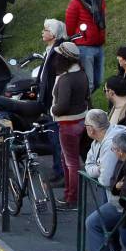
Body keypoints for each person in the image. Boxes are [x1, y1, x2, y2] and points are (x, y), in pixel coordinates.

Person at [77, 115, 126, 251]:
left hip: (123, 201)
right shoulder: (97, 142)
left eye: (86, 125)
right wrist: (97, 168)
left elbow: (105, 179)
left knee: (93, 223)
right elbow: (88, 165)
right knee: (105, 225)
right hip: (120, 199)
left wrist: (98, 169)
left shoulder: (110, 143)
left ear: (91, 129)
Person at [50, 41, 90, 209]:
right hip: (81, 120)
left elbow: (63, 105)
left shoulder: (66, 79)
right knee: (72, 160)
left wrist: (53, 110)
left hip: (68, 124)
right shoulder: (82, 73)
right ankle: (70, 195)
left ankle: (71, 198)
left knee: (71, 163)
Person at [65, 0, 106, 92]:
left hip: (99, 45)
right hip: (85, 48)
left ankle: (86, 104)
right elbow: (70, 28)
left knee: (99, 81)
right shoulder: (75, 3)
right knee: (89, 84)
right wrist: (83, 38)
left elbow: (103, 20)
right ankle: (84, 108)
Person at [39, 19, 68, 185]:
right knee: (54, 138)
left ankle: (61, 173)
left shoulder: (57, 52)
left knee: (57, 140)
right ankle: (59, 170)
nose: (42, 32)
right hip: (51, 100)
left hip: (54, 102)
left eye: (45, 29)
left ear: (54, 34)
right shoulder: (52, 49)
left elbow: (53, 78)